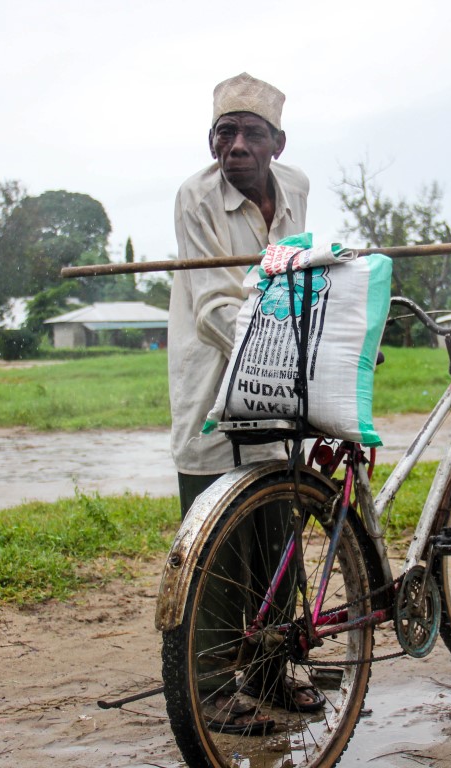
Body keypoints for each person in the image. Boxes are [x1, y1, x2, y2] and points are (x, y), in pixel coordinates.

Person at [167, 72, 317, 732]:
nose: (235, 146)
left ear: (277, 144)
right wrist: (277, 350)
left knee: (278, 534)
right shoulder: (195, 198)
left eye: (251, 133)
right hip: (214, 378)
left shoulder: (297, 190)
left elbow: (292, 272)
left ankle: (271, 673)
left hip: (276, 384)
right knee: (215, 554)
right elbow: (212, 306)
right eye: (223, 134)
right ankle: (211, 689)